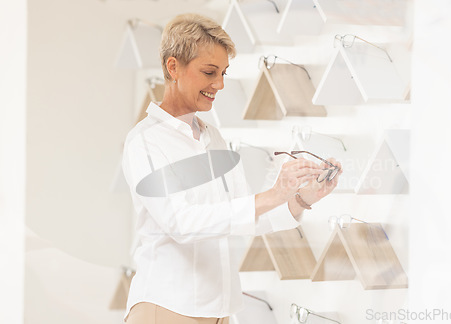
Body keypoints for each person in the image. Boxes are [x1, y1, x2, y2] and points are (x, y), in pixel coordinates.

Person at [121, 13, 342, 324]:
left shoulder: (213, 138)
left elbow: (242, 218)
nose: (220, 84)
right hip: (168, 309)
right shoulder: (145, 142)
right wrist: (271, 194)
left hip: (219, 312)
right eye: (210, 72)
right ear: (173, 67)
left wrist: (299, 199)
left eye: (224, 72)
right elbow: (181, 223)